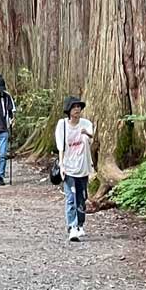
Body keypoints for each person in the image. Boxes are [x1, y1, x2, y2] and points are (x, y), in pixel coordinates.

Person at [55, 96, 95, 241]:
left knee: (81, 198)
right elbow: (60, 146)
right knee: (70, 198)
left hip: (83, 166)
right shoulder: (62, 125)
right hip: (69, 166)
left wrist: (86, 133)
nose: (77, 109)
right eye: (74, 107)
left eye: (79, 107)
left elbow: (91, 139)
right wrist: (61, 165)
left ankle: (80, 224)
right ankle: (72, 227)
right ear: (69, 110)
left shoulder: (86, 123)